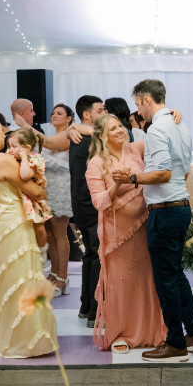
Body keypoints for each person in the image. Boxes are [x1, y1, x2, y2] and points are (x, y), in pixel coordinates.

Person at [106, 79, 193, 362]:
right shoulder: (178, 124)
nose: (137, 112)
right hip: (179, 206)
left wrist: (131, 178)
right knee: (175, 274)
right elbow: (181, 171)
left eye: (137, 105)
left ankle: (175, 344)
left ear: (147, 100)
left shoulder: (159, 128)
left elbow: (163, 174)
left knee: (166, 281)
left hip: (165, 210)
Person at [0, 118, 57, 359]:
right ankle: (26, 339)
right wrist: (42, 191)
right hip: (14, 224)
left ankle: (7, 333)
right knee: (22, 276)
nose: (4, 134)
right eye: (1, 130)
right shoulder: (4, 160)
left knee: (5, 279)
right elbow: (35, 190)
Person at [85, 114, 167, 352]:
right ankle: (121, 333)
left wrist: (170, 115)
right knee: (121, 282)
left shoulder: (136, 149)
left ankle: (152, 330)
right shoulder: (96, 163)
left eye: (120, 125)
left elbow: (162, 137)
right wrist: (117, 184)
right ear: (102, 136)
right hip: (116, 233)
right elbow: (99, 202)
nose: (121, 130)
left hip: (144, 224)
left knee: (146, 278)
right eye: (113, 128)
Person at [69, 96, 107, 327]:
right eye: (100, 110)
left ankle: (86, 306)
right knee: (96, 256)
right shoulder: (85, 138)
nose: (104, 113)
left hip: (81, 204)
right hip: (90, 204)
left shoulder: (78, 134)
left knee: (90, 256)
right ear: (87, 115)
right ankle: (95, 312)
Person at [43, 103, 75, 294]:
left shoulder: (70, 135)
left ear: (69, 117)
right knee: (48, 232)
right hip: (48, 187)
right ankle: (54, 272)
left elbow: (66, 167)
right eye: (53, 113)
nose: (54, 115)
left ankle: (63, 277)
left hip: (62, 186)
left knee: (59, 232)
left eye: (59, 113)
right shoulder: (51, 136)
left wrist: (43, 160)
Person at [8, 128, 54, 261]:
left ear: (26, 148)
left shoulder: (35, 159)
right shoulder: (13, 158)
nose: (10, 150)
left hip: (33, 199)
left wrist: (23, 158)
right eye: (9, 146)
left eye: (14, 146)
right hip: (19, 197)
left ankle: (42, 249)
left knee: (38, 225)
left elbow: (24, 175)